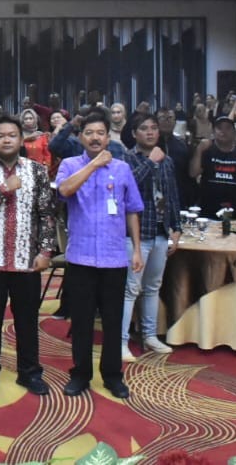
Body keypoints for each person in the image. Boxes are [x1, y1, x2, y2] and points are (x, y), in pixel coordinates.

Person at [0, 116, 57, 397]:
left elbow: (47, 214)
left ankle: (30, 373)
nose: (6, 140)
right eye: (1, 135)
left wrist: (45, 251)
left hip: (26, 261)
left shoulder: (37, 171)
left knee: (27, 321)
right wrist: (3, 189)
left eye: (12, 135)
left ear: (20, 139)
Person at [57, 114, 144, 400]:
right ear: (80, 137)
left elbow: (132, 210)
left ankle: (112, 375)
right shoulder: (70, 165)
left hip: (114, 257)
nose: (95, 137)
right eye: (89, 132)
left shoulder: (122, 168)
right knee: (81, 320)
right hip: (81, 257)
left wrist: (137, 249)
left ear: (108, 137)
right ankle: (80, 374)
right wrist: (94, 165)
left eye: (101, 133)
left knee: (112, 320)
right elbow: (64, 190)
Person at [120, 113, 181, 362]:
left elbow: (172, 196)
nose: (150, 132)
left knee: (153, 287)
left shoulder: (167, 160)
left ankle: (150, 335)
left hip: (160, 232)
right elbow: (127, 187)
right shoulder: (126, 158)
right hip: (136, 234)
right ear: (134, 134)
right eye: (144, 128)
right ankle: (121, 341)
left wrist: (176, 228)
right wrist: (150, 162)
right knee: (130, 289)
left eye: (153, 128)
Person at [191, 115, 236, 216]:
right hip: (207, 210)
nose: (223, 131)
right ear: (213, 132)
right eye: (219, 128)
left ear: (234, 132)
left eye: (228, 128)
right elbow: (193, 173)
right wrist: (199, 149)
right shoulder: (206, 151)